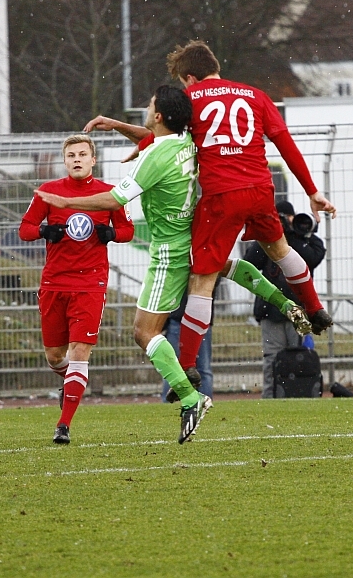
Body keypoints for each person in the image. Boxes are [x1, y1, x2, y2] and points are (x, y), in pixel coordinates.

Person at [87, 41, 336, 389]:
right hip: (261, 188)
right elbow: (285, 143)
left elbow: (166, 138)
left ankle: (189, 365)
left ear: (189, 77)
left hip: (221, 195)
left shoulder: (193, 100)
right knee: (280, 249)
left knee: (202, 281)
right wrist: (312, 191)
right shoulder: (255, 95)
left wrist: (130, 135)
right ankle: (314, 308)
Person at [38, 85, 210, 443]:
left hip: (167, 249)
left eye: (149, 105)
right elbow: (151, 136)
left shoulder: (153, 157)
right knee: (220, 276)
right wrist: (113, 124)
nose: (146, 110)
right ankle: (294, 306)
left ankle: (191, 395)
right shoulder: (186, 141)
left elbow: (117, 198)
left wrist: (67, 204)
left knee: (144, 332)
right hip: (193, 237)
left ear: (160, 115)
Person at [19, 134, 135, 445]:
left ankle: (63, 425)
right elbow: (25, 228)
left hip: (90, 284)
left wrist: (111, 233)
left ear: (93, 160)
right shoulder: (49, 193)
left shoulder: (109, 194)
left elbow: (127, 230)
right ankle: (70, 382)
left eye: (83, 154)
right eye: (71, 155)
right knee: (55, 357)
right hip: (54, 282)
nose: (77, 159)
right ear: (65, 160)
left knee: (80, 352)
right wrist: (44, 229)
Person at [244, 201, 325, 398]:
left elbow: (313, 257)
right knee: (271, 357)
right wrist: (268, 235)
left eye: (286, 217)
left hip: (298, 310)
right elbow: (250, 262)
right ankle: (271, 396)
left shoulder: (305, 239)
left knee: (298, 354)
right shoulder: (266, 241)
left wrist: (288, 236)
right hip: (270, 310)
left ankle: (298, 394)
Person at [159, 290, 215, 403]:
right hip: (193, 319)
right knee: (201, 369)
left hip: (182, 318)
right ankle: (203, 402)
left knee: (173, 367)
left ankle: (171, 403)